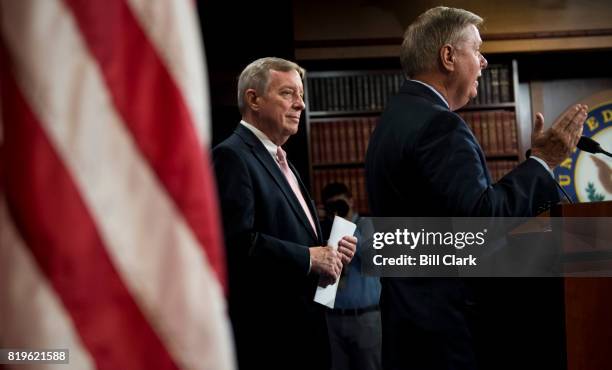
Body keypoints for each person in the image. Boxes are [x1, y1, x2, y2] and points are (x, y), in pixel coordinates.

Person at [364, 6, 587, 370]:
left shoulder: (395, 119)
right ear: (448, 56)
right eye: (477, 50)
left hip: (410, 324)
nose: (483, 62)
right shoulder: (439, 126)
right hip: (447, 331)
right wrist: (543, 162)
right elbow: (480, 223)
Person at [213, 57, 357, 370]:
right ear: (254, 99)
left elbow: (289, 234)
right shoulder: (232, 156)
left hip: (307, 332)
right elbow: (236, 244)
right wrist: (310, 257)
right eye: (288, 94)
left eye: (301, 96)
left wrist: (331, 252)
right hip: (272, 342)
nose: (300, 105)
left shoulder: (284, 161)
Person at [320, 183, 382, 370]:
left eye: (341, 204)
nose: (337, 209)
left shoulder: (367, 225)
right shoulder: (324, 229)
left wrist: (345, 225)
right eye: (332, 206)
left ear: (351, 201)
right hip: (332, 318)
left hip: (365, 317)